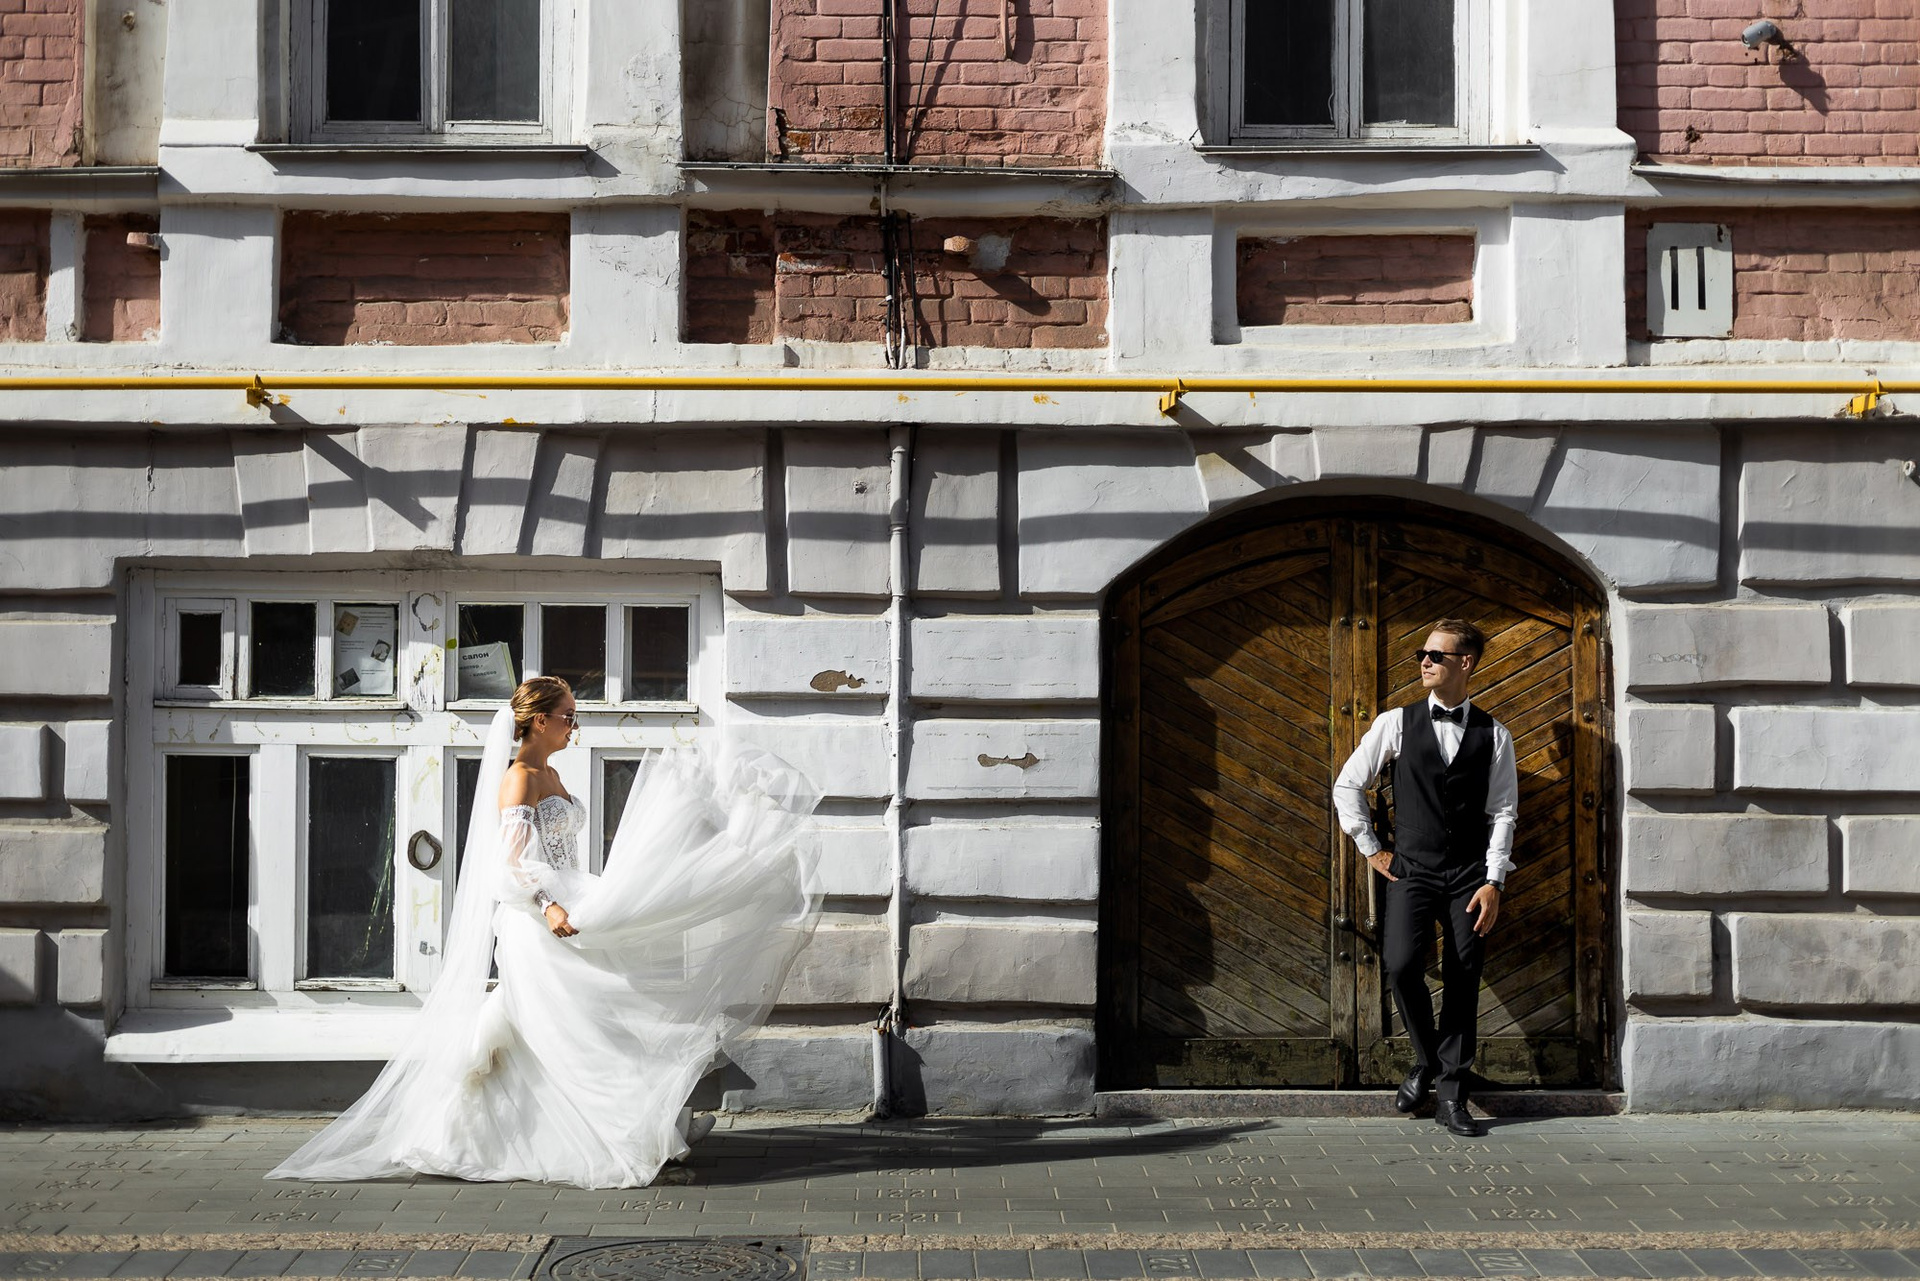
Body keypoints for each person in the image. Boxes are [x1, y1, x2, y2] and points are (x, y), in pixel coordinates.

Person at [269, 676, 822, 1187]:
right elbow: (511, 865)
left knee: (571, 1027)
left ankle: (615, 1126)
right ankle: (631, 1133)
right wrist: (549, 906)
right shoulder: (519, 779)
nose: (574, 726)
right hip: (538, 922)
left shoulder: (552, 775)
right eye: (568, 716)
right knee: (578, 1027)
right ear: (539, 721)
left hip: (570, 904)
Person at [1331, 619, 1517, 1137]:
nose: (1425, 662)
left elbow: (1503, 812)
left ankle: (1452, 1096)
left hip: (1469, 874)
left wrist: (1494, 881)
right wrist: (1372, 849)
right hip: (1410, 868)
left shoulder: (1495, 735)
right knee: (1400, 964)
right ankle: (1430, 1060)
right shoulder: (1395, 723)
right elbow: (1347, 785)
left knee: (1463, 976)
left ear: (1466, 663)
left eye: (1436, 654)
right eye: (1422, 654)